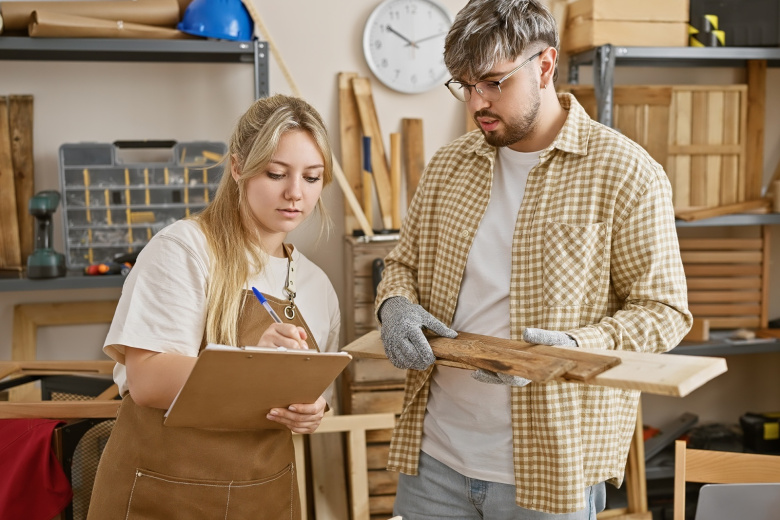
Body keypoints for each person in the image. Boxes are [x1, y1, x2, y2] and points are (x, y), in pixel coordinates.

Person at [375, 1, 693, 518]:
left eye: (493, 82)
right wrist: (395, 307)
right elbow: (403, 265)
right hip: (434, 459)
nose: (477, 100)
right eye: (464, 84)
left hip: (550, 469)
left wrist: (571, 348)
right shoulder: (449, 164)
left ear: (544, 65)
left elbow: (664, 311)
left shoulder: (626, 173)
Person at [87, 94, 340, 520]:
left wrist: (312, 412)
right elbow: (147, 378)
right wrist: (255, 362)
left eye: (312, 178)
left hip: (263, 497)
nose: (295, 193)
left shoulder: (317, 285)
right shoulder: (185, 249)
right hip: (161, 496)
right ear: (238, 167)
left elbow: (312, 396)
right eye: (276, 173)